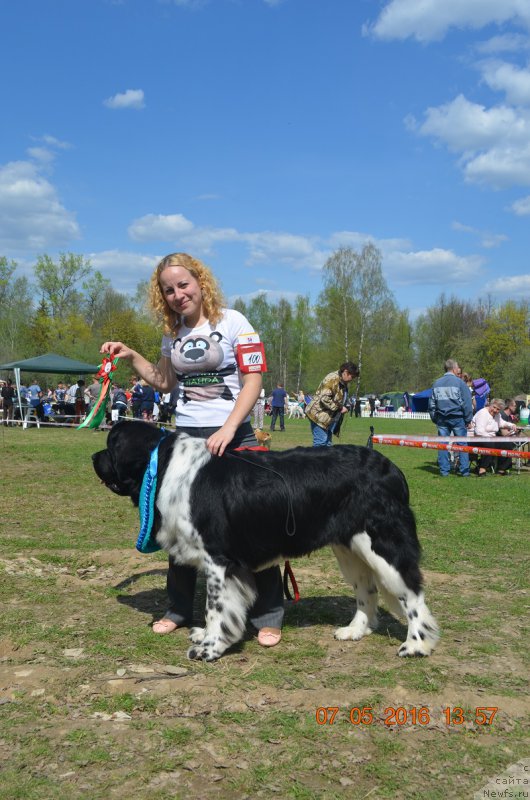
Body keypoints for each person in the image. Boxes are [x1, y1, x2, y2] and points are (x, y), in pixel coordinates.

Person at [100, 252, 284, 648]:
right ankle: (180, 609)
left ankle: (269, 615)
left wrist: (230, 427)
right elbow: (164, 382)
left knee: (255, 525)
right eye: (168, 290)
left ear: (200, 282)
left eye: (183, 284)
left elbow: (254, 380)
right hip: (186, 439)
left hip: (234, 437)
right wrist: (131, 355)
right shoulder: (172, 333)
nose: (177, 294)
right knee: (178, 527)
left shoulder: (235, 322)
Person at [428, 358, 474, 477]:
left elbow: (431, 404)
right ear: (454, 369)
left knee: (442, 445)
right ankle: (464, 471)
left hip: (442, 418)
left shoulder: (436, 383)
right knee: (462, 445)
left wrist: (435, 418)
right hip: (457, 417)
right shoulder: (460, 383)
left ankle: (444, 471)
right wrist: (468, 419)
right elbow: (467, 403)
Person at [304, 362, 359, 447]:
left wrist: (346, 404)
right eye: (352, 376)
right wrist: (340, 408)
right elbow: (325, 398)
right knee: (321, 444)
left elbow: (339, 397)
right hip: (319, 415)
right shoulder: (332, 379)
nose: (352, 379)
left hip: (328, 417)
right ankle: (316, 460)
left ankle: (326, 460)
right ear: (345, 372)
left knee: (328, 444)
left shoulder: (343, 382)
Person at [474, 399, 518, 476]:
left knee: (507, 443)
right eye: (494, 407)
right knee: (489, 444)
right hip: (477, 439)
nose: (495, 410)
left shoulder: (497, 415)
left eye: (498, 409)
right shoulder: (482, 413)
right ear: (490, 405)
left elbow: (502, 423)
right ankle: (482, 469)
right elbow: (479, 432)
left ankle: (501, 469)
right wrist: (492, 438)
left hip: (491, 439)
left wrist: (511, 425)